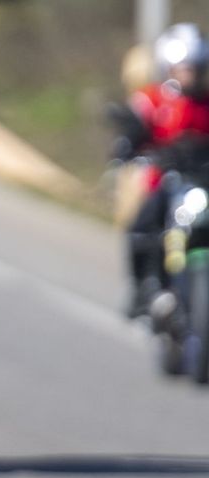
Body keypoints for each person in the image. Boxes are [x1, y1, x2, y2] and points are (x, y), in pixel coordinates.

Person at [116, 22, 209, 318]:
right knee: (142, 227)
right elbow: (135, 119)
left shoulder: (205, 103)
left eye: (193, 69)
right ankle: (144, 288)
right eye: (183, 68)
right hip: (166, 184)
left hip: (201, 186)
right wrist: (128, 142)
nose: (188, 75)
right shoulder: (156, 98)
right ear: (170, 68)